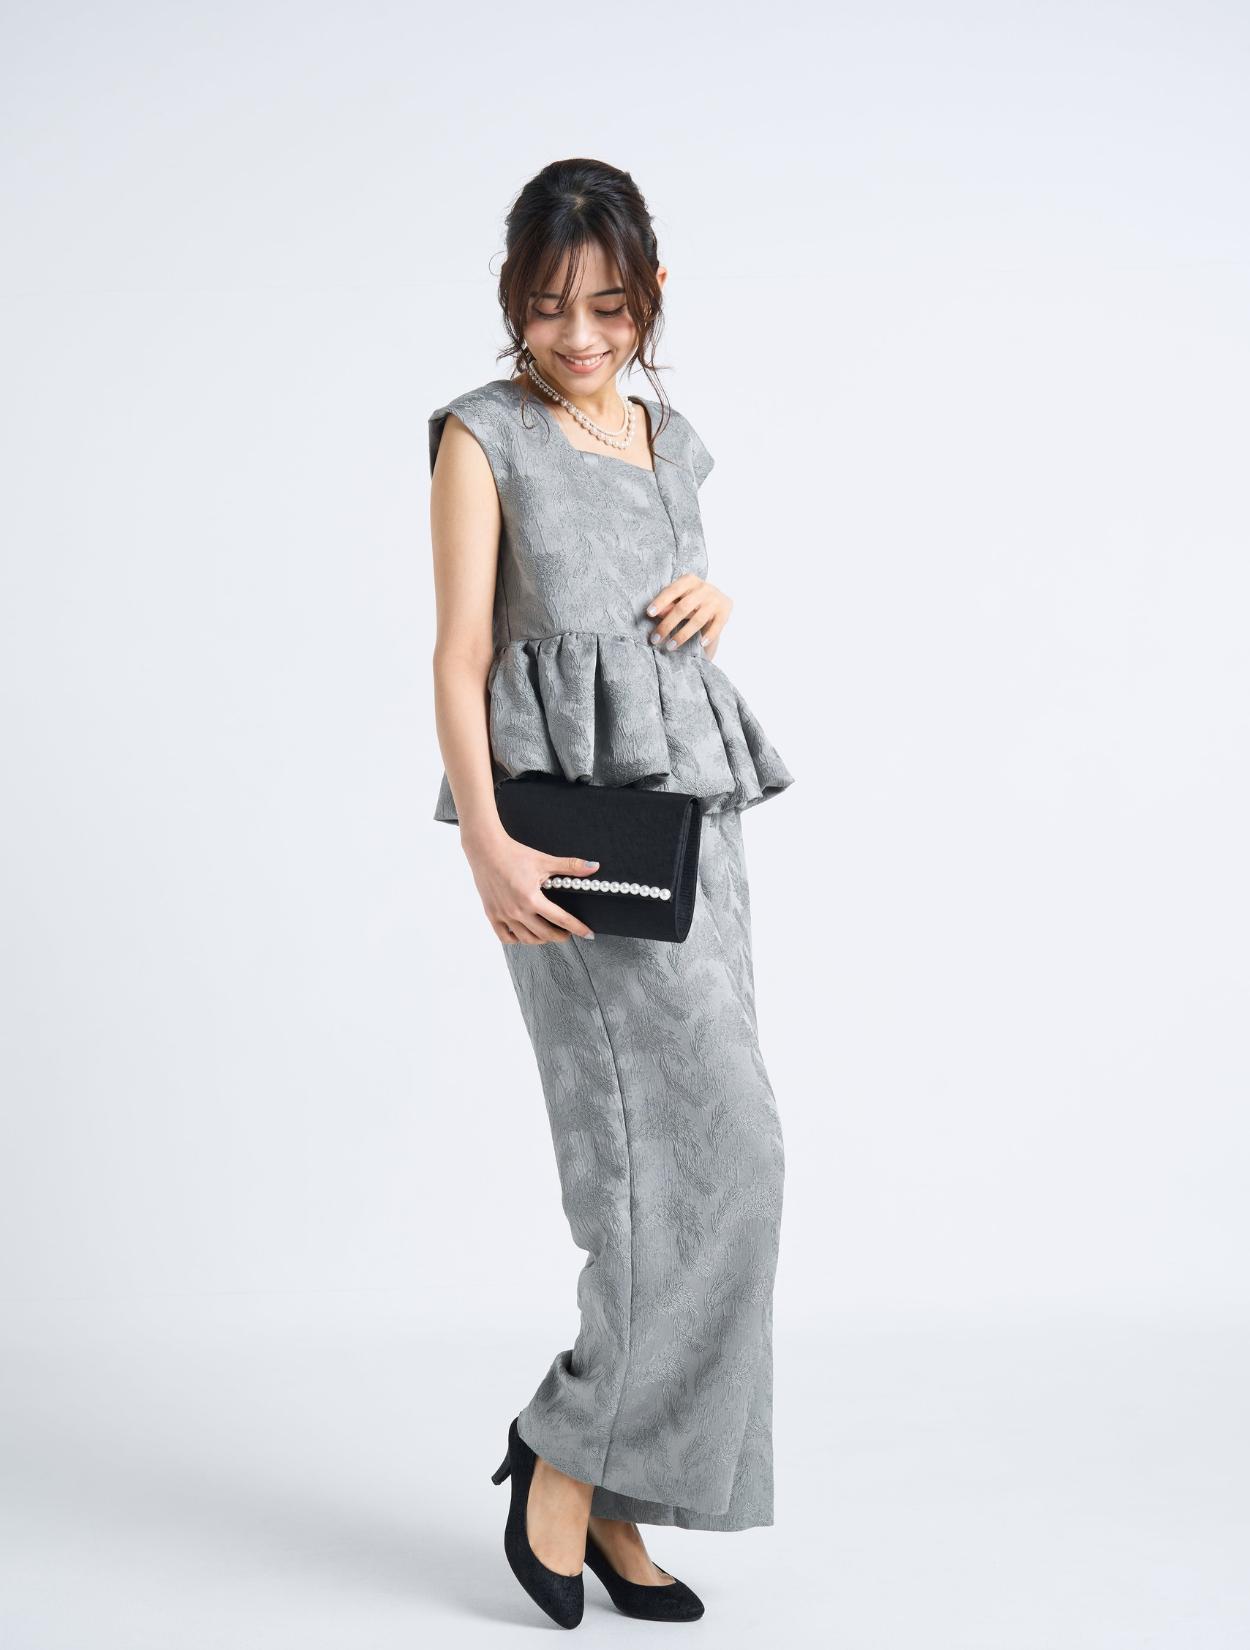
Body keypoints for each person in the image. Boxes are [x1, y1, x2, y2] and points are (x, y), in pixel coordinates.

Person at [428, 158, 796, 1629]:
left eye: (606, 306)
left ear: (650, 297)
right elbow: (461, 653)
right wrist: (484, 842)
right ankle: (568, 1451)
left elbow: (652, 609)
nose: (577, 336)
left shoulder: (669, 438)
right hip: (565, 845)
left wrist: (715, 599)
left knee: (735, 1162)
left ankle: (618, 1481)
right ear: (511, 303)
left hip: (691, 828)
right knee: (641, 1171)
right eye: (546, 307)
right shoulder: (484, 436)